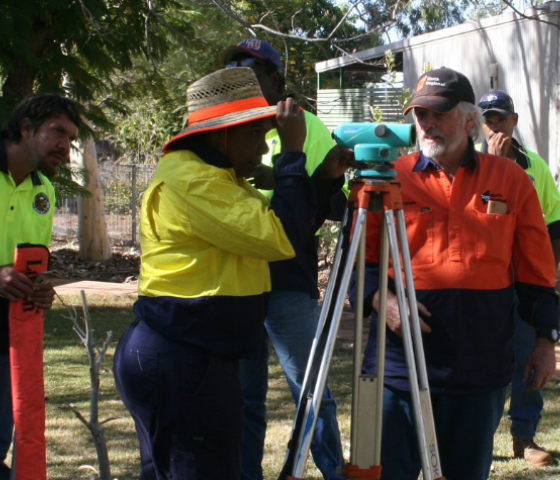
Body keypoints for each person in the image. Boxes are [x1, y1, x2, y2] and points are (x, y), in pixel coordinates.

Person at [112, 67, 353, 480]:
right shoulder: (195, 182)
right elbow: (279, 237)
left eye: (264, 135)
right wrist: (291, 154)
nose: (261, 149)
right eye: (253, 135)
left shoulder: (217, 176)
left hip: (194, 354)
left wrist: (324, 180)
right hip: (182, 358)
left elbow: (280, 223)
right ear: (217, 133)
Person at [349, 68, 559, 480]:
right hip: (399, 363)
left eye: (437, 114)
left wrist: (544, 339)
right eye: (420, 114)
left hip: (479, 362)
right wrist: (381, 299)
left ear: (468, 119)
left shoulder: (512, 180)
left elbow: (537, 270)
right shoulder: (388, 179)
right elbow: (360, 262)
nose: (426, 123)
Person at [222, 39, 347, 480]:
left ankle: (335, 471)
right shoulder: (221, 124)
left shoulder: (308, 127)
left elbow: (335, 204)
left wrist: (283, 175)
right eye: (235, 67)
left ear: (276, 79)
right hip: (234, 280)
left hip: (287, 280)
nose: (242, 75)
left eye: (252, 69)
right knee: (243, 397)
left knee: (311, 391)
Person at [478, 89, 560, 467]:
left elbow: (554, 227)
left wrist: (545, 281)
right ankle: (474, 435)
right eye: (487, 119)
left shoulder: (535, 167)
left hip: (522, 283)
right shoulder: (466, 165)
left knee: (528, 356)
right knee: (476, 358)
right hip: (476, 284)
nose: (494, 125)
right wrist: (493, 167)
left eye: (500, 118)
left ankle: (523, 437)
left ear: (514, 122)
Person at [0, 94, 80, 479]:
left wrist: (39, 288)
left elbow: (31, 265)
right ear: (26, 127)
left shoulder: (43, 192)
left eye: (71, 138)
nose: (65, 146)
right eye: (58, 132)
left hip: (10, 338)